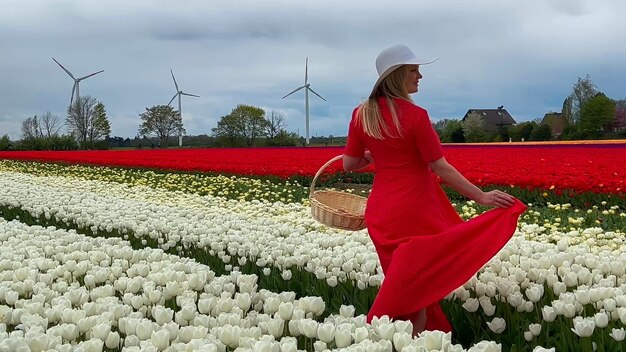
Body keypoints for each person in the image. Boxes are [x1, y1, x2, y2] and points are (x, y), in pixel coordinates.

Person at [343, 44, 527, 335]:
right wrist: (480, 195)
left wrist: (371, 157)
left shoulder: (361, 115)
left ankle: (392, 339)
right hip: (416, 209)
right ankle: (414, 340)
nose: (420, 77)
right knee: (415, 288)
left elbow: (348, 164)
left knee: (404, 285)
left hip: (382, 212)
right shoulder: (416, 116)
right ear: (398, 75)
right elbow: (439, 167)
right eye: (414, 71)